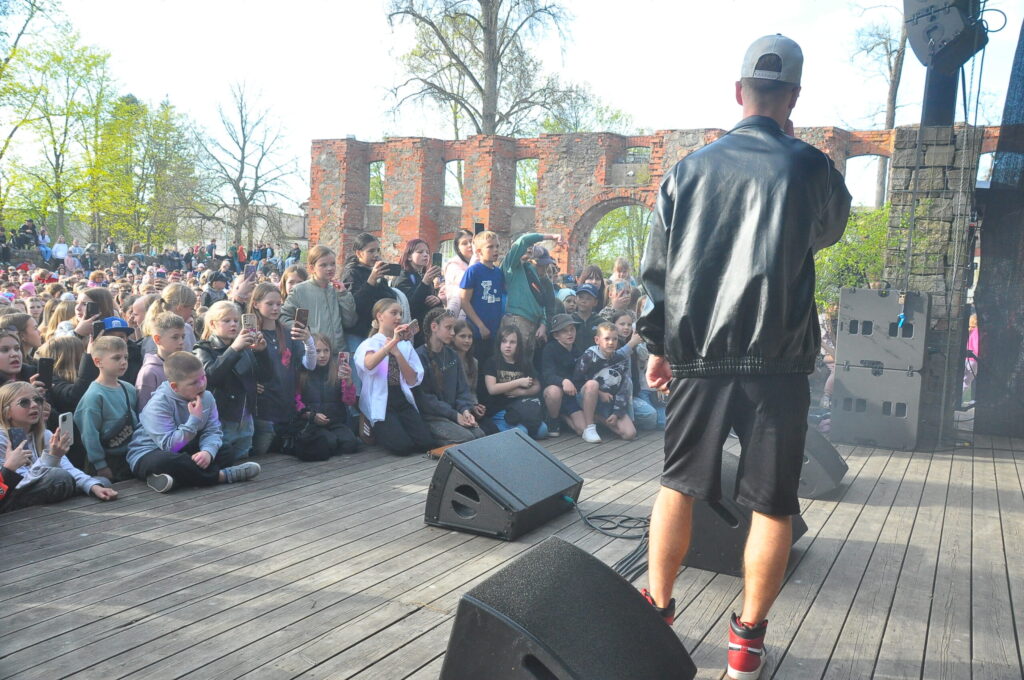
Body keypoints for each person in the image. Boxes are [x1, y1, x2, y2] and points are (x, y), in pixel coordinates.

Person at [636, 35, 851, 680]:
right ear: (794, 98)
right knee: (773, 504)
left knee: (678, 486)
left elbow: (657, 271)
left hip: (698, 358)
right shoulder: (812, 168)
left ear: (738, 92)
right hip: (778, 363)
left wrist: (658, 347)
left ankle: (658, 612)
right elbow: (828, 231)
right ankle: (746, 646)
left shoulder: (688, 170)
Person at [127, 351, 261, 493]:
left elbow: (213, 430)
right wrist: (194, 419)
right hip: (150, 453)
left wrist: (207, 452)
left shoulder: (207, 397)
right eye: (194, 383)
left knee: (225, 450)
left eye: (203, 377)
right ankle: (222, 476)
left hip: (184, 448)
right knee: (167, 461)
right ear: (174, 386)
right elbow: (170, 446)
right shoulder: (157, 405)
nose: (202, 384)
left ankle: (173, 480)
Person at [0, 381, 116, 510]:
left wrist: (93, 486)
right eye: (24, 402)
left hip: (43, 485)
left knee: (101, 482)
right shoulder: (3, 439)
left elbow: (68, 468)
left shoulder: (44, 434)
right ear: (7, 412)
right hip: (11, 497)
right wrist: (51, 458)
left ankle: (70, 489)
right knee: (59, 477)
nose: (34, 405)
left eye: (38, 400)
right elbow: (21, 484)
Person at [193, 301, 271, 465]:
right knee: (222, 462)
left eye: (236, 320)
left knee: (242, 462)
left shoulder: (244, 348)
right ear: (212, 324)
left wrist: (262, 352)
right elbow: (210, 377)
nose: (233, 324)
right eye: (227, 320)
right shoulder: (203, 349)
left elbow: (265, 376)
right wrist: (234, 349)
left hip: (245, 416)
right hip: (221, 417)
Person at [354, 298, 433, 455]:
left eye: (400, 314)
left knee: (426, 443)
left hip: (400, 396)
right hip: (379, 398)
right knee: (402, 447)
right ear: (380, 316)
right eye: (394, 313)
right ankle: (371, 422)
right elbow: (369, 364)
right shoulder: (370, 343)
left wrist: (397, 353)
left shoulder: (405, 345)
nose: (398, 317)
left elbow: (412, 379)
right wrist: (392, 343)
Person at [249, 282, 316, 456]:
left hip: (286, 407)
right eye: (270, 304)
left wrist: (308, 341)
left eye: (279, 304)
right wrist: (250, 384)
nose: (275, 308)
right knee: (261, 456)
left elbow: (310, 365)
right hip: (263, 411)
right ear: (256, 304)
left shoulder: (287, 333)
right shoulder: (250, 334)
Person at [73, 335, 140, 481]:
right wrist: (100, 465)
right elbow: (89, 434)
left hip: (130, 455)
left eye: (125, 357)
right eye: (116, 358)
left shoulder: (128, 388)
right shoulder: (94, 395)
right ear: (98, 362)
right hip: (107, 461)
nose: (123, 362)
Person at [415, 308, 485, 446]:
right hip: (432, 417)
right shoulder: (420, 356)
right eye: (448, 328)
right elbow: (425, 399)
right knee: (467, 439)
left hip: (454, 413)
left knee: (480, 435)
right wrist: (454, 415)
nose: (453, 333)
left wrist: (465, 411)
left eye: (453, 328)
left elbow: (463, 389)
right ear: (434, 327)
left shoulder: (453, 355)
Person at [280, 245, 357, 364]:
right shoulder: (300, 290)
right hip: (313, 354)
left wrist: (344, 295)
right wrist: (304, 331)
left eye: (332, 264)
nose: (330, 268)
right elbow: (283, 317)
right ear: (312, 268)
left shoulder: (337, 291)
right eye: (323, 265)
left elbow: (349, 322)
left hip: (337, 354)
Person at [296, 333, 360, 455]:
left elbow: (349, 401)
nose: (322, 355)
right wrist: (311, 415)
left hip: (335, 422)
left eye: (326, 350)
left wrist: (348, 381)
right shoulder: (303, 374)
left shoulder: (336, 371)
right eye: (318, 351)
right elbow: (296, 403)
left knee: (351, 443)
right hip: (312, 423)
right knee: (329, 442)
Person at [482, 324, 548, 439]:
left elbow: (537, 386)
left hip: (520, 408)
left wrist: (522, 392)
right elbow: (492, 389)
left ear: (518, 345)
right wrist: (519, 382)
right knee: (522, 432)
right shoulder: (492, 362)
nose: (508, 345)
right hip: (499, 410)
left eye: (512, 342)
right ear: (499, 343)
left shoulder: (524, 363)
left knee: (543, 430)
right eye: (504, 341)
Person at [501, 232, 561, 357]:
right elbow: (523, 240)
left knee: (526, 364)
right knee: (514, 361)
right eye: (540, 264)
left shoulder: (536, 275)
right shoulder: (513, 268)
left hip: (533, 325)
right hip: (517, 321)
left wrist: (543, 324)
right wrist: (551, 236)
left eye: (546, 264)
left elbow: (542, 304)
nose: (544, 267)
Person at [459, 230, 505, 361]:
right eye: (490, 247)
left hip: (495, 332)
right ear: (479, 251)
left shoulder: (498, 272)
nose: (495, 250)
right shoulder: (473, 271)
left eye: (497, 246)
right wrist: (480, 326)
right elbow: (464, 301)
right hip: (476, 332)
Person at [540, 313, 585, 437]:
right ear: (556, 335)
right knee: (554, 392)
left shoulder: (577, 349)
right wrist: (563, 381)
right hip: (555, 393)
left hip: (572, 395)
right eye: (564, 331)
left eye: (572, 329)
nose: (570, 333)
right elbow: (547, 375)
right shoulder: (549, 349)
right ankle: (553, 420)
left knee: (583, 430)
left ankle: (562, 416)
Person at [392, 238, 443, 338]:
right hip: (411, 332)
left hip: (427, 328)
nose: (425, 255)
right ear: (409, 256)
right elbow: (409, 305)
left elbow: (430, 298)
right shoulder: (402, 276)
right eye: (420, 252)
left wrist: (437, 300)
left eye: (427, 252)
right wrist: (425, 282)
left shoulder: (424, 275)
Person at [135, 312, 186, 410]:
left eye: (183, 337)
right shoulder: (149, 372)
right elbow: (144, 409)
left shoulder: (185, 366)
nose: (181, 342)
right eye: (175, 337)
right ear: (157, 339)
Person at [443, 229, 474, 318]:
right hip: (460, 313)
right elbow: (466, 281)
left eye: (472, 242)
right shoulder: (452, 265)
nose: (470, 245)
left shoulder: (481, 262)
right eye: (464, 243)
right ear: (458, 248)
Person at [571, 283, 603, 355]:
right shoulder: (569, 321)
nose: (583, 301)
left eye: (588, 298)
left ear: (595, 302)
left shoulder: (601, 322)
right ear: (576, 299)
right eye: (581, 297)